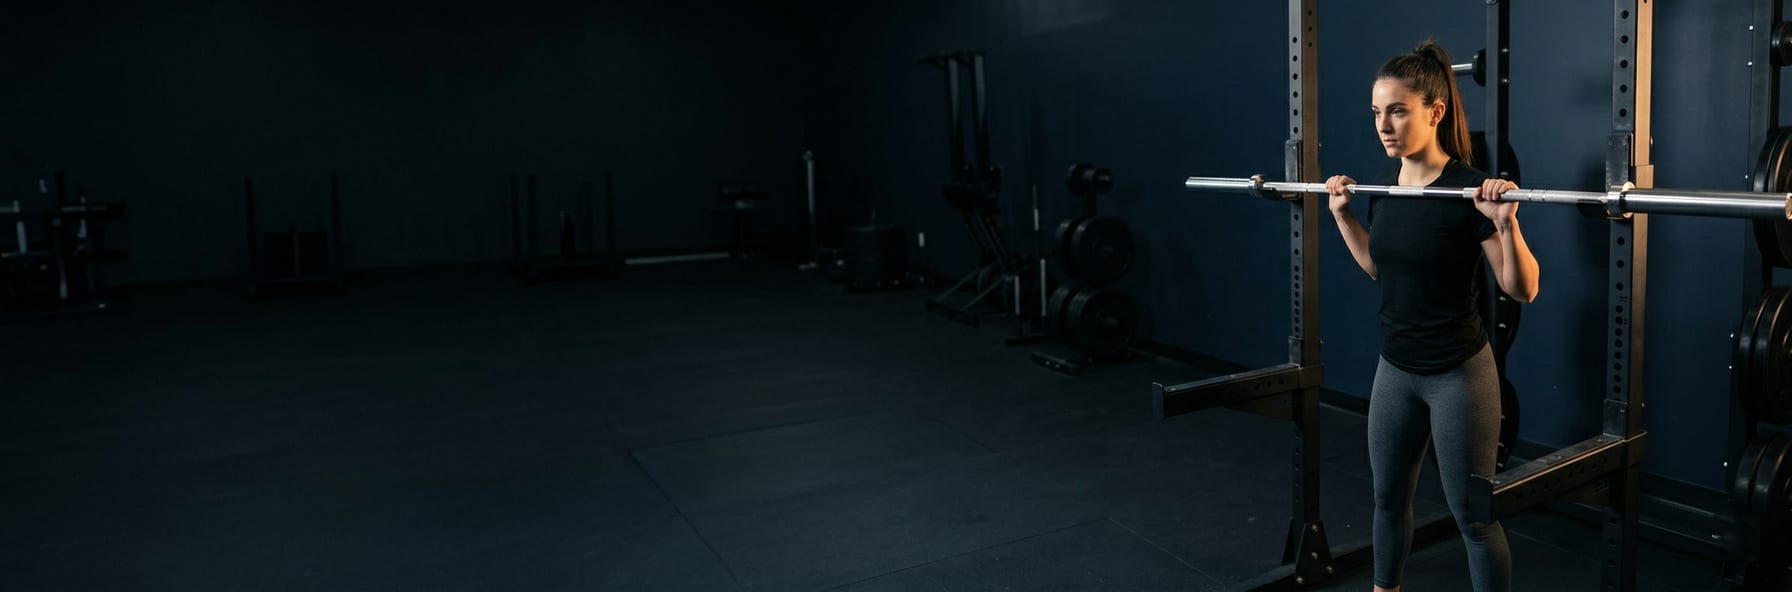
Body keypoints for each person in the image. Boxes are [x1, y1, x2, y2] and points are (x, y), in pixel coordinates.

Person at [1324, 40, 1541, 592]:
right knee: (1386, 501)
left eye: (1397, 110)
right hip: (1395, 370)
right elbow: (1380, 267)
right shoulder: (1385, 189)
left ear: (1434, 112)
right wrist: (1344, 216)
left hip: (1457, 376)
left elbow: (1523, 289)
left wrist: (1506, 222)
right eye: (1377, 112)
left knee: (1473, 517)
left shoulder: (1469, 190)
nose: (1384, 125)